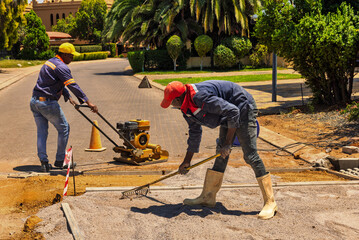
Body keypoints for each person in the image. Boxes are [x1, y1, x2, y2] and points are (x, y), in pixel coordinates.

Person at [160, 80, 277, 220]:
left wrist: (228, 143)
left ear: (178, 99)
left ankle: (270, 202)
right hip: (229, 113)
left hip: (243, 107)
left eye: (171, 102)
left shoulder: (199, 97)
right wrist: (187, 161)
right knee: (221, 155)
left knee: (250, 155)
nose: (171, 105)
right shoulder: (185, 108)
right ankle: (208, 197)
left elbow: (234, 111)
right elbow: (194, 133)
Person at [30, 43, 98, 172]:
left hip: (35, 102)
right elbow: (72, 85)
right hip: (47, 103)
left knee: (42, 132)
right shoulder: (62, 67)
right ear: (65, 55)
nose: (72, 58)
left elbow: (56, 82)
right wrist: (88, 102)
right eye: (71, 56)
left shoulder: (50, 62)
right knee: (64, 128)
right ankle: (60, 161)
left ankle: (44, 162)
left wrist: (68, 97)